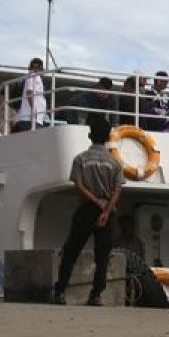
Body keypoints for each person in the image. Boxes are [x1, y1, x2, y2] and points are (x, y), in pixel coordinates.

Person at [52, 114, 124, 306]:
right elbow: (117, 191)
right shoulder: (115, 163)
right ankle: (96, 295)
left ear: (90, 136)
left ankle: (59, 292)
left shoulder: (80, 159)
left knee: (71, 251)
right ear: (109, 138)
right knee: (102, 256)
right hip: (107, 213)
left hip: (86, 210)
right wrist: (106, 210)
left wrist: (96, 203)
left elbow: (79, 186)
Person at [15, 57, 47, 132]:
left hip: (34, 119)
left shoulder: (33, 77)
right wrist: (33, 110)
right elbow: (29, 92)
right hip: (30, 119)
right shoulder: (33, 76)